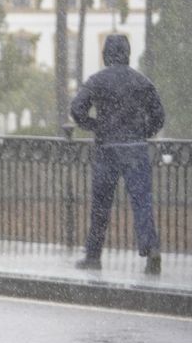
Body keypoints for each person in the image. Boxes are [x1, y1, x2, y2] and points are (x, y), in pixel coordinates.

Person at [69, 34, 166, 274]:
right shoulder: (142, 82)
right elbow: (159, 115)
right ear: (127, 53)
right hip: (135, 148)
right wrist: (143, 131)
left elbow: (76, 108)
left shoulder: (97, 81)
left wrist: (95, 126)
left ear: (105, 55)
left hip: (107, 149)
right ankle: (150, 249)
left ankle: (93, 255)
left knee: (101, 205)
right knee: (142, 202)